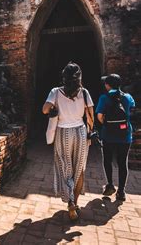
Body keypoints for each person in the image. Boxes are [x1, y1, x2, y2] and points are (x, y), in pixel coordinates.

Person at [42, 62, 94, 221]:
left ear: (64, 76)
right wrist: (89, 135)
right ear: (79, 77)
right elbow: (90, 116)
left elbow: (45, 110)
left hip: (63, 131)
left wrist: (55, 108)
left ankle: (70, 202)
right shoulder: (84, 93)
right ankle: (74, 204)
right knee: (79, 168)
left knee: (66, 167)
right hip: (80, 131)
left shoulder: (55, 92)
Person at [96, 74, 136, 201]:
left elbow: (100, 117)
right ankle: (121, 192)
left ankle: (110, 185)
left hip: (108, 135)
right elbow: (131, 111)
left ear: (107, 85)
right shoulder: (128, 97)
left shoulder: (104, 98)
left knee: (107, 160)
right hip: (125, 135)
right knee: (122, 162)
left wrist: (108, 126)